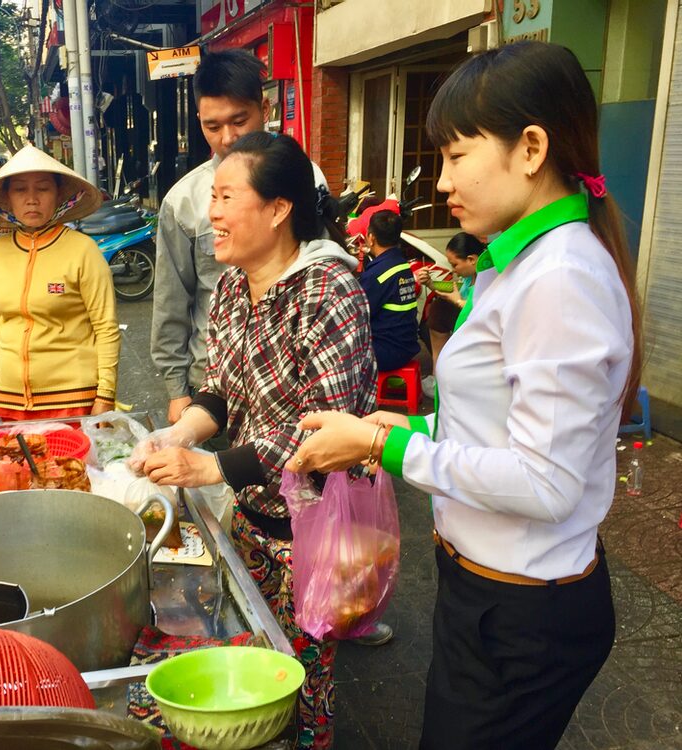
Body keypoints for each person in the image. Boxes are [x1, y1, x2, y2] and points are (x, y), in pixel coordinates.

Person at [286, 41, 641, 750]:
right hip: (487, 594)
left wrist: (384, 444)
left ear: (531, 147)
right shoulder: (517, 264)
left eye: (457, 154)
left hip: (522, 616)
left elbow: (546, 483)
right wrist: (409, 421)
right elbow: (497, 418)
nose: (442, 181)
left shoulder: (560, 277)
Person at [133, 132, 381, 750]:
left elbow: (324, 431)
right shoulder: (230, 290)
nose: (211, 213)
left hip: (317, 530)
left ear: (278, 210)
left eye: (225, 197)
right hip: (254, 517)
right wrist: (180, 431)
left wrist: (211, 469)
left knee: (302, 675)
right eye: (210, 198)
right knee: (253, 661)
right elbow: (220, 393)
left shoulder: (329, 292)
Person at [150, 49, 331, 427]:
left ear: (264, 108)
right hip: (214, 387)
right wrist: (177, 389)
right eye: (212, 126)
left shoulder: (305, 178)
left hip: (292, 384)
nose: (228, 138)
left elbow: (321, 268)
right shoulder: (183, 201)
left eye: (239, 121)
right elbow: (172, 301)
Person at [0, 144, 120, 421]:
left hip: (75, 401)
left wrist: (105, 395)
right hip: (8, 401)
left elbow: (106, 328)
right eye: (20, 190)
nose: (32, 199)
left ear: (59, 194)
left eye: (43, 188)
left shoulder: (82, 250)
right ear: (7, 197)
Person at [416, 232, 486, 393]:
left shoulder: (488, 279)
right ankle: (438, 375)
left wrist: (457, 301)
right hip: (465, 332)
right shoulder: (470, 277)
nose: (453, 271)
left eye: (454, 265)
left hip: (478, 336)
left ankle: (439, 378)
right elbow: (451, 289)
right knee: (437, 309)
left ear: (471, 260)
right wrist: (431, 284)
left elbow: (481, 315)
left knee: (438, 311)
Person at [356, 209, 421, 372]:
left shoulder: (377, 274)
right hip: (407, 344)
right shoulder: (401, 264)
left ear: (371, 238)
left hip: (386, 351)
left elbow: (359, 314)